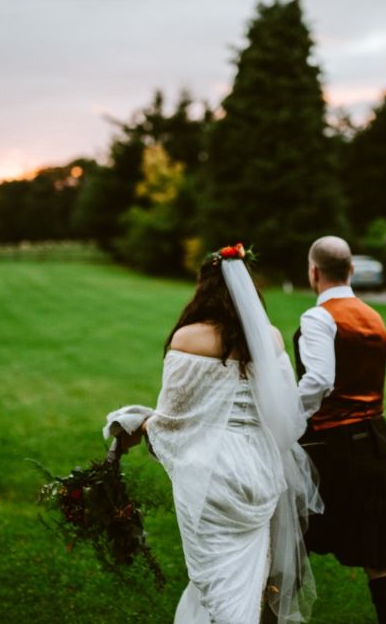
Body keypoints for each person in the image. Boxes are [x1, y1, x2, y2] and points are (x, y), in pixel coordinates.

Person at [108, 243, 322, 624]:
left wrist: (137, 422)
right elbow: (288, 414)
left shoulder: (187, 339)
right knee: (249, 575)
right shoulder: (269, 338)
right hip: (259, 469)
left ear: (203, 288)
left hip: (211, 474)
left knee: (215, 580)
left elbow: (173, 420)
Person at [294, 236, 386, 624]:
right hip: (373, 445)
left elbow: (319, 381)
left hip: (328, 450)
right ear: (352, 270)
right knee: (380, 558)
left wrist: (288, 417)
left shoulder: (318, 317)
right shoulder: (374, 316)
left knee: (287, 543)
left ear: (313, 272)